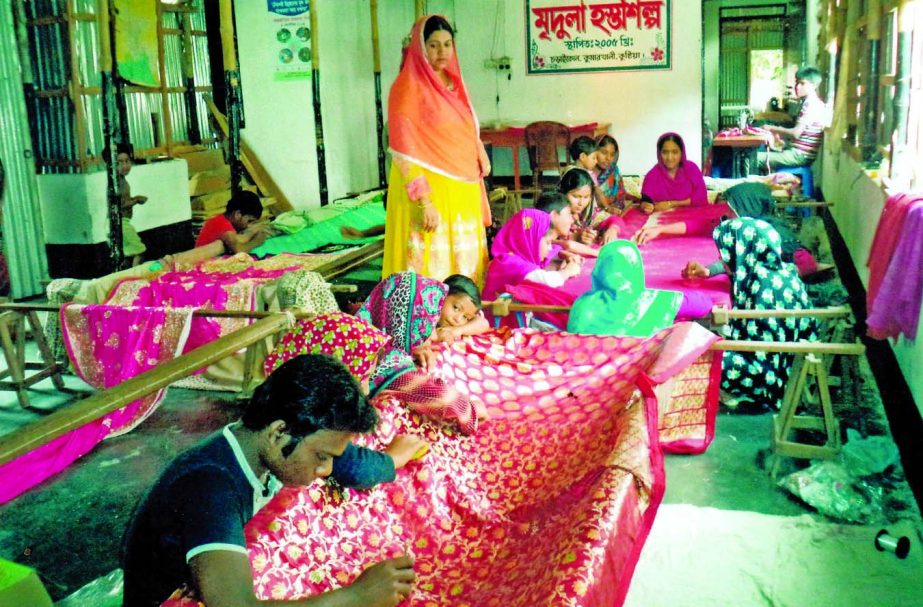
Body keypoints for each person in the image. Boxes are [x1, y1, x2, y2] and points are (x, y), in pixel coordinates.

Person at [121, 354, 416, 607]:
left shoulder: (264, 439)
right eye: (321, 456)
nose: (326, 468)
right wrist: (357, 597)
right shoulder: (211, 485)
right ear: (278, 433)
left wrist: (389, 461)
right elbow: (234, 604)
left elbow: (346, 460)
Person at [264, 313, 428, 490]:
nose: (365, 389)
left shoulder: (283, 392)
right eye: (363, 377)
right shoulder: (313, 419)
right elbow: (354, 467)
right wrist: (393, 459)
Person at [383, 15, 490, 285]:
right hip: (429, 190)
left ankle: (462, 312)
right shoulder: (407, 87)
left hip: (462, 188)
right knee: (430, 260)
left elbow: (464, 126)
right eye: (433, 45)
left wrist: (479, 150)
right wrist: (425, 202)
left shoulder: (453, 83)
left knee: (464, 261)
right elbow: (403, 151)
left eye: (447, 44)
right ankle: (425, 316)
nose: (442, 51)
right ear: (420, 47)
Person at [356, 271, 489, 434]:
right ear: (407, 315)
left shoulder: (364, 334)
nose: (426, 325)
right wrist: (471, 409)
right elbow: (442, 399)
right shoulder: (386, 363)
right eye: (423, 316)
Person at [710, 218, 818, 410]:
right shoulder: (780, 271)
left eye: (726, 252)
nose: (724, 258)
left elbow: (762, 350)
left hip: (773, 373)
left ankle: (751, 393)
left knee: (705, 357)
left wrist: (718, 340)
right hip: (787, 358)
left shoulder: (763, 287)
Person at [567, 240, 682, 338]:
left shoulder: (583, 304)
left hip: (589, 359)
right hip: (635, 361)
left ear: (599, 269)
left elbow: (574, 336)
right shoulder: (652, 302)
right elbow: (698, 305)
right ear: (635, 269)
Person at [482, 206, 582, 302]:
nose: (550, 248)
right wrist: (568, 271)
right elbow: (550, 281)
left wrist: (565, 255)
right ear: (531, 239)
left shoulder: (515, 256)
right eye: (548, 242)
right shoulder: (509, 263)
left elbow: (554, 250)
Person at [756, 66, 830, 171]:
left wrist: (771, 128)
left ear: (813, 86)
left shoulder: (812, 105)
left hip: (799, 155)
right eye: (796, 83)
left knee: (753, 158)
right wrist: (781, 137)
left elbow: (796, 133)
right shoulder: (810, 103)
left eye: (802, 83)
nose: (797, 87)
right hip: (799, 152)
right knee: (764, 149)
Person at [640, 132, 708, 214]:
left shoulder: (691, 169)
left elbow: (701, 197)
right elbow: (645, 201)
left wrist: (671, 204)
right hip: (663, 221)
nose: (669, 157)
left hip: (694, 218)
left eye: (675, 152)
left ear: (682, 153)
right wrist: (646, 206)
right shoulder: (652, 176)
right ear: (659, 153)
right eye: (665, 152)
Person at [558, 167, 625, 247]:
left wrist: (613, 229)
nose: (581, 203)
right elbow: (549, 239)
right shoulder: (556, 213)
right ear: (563, 192)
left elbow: (615, 219)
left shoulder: (588, 213)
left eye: (586, 197)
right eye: (576, 196)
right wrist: (576, 237)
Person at [106, 143, 148, 267]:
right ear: (111, 165)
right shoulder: (117, 182)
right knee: (140, 251)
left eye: (127, 161)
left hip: (121, 222)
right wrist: (136, 199)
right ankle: (136, 278)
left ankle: (126, 278)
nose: (125, 165)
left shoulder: (121, 180)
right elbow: (120, 205)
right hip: (121, 223)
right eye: (119, 162)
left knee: (128, 256)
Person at [195, 190, 272, 253]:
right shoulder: (223, 225)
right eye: (249, 221)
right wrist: (256, 241)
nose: (249, 225)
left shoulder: (221, 219)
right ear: (237, 214)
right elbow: (239, 251)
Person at [533, 190, 599, 258]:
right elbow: (569, 245)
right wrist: (599, 253)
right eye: (568, 214)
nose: (571, 220)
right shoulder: (540, 240)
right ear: (553, 215)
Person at [595, 134, 638, 212]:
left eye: (612, 154)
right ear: (594, 151)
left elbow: (620, 195)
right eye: (604, 152)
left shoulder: (613, 171)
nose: (608, 158)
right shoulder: (584, 173)